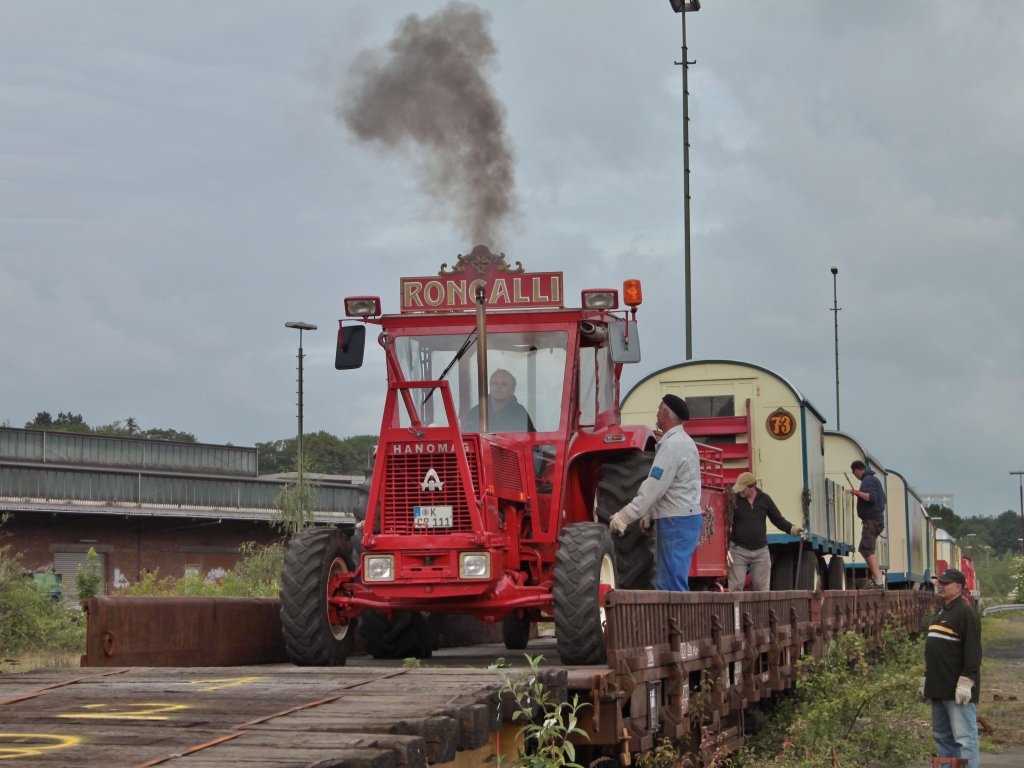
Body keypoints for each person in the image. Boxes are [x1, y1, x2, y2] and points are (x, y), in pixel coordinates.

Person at [608, 394, 702, 591]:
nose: (657, 414)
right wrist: (651, 513)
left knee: (672, 584)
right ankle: (671, 622)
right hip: (682, 519)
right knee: (668, 582)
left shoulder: (671, 446)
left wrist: (624, 517)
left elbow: (653, 487)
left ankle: (679, 621)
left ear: (665, 412)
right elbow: (669, 487)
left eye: (659, 410)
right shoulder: (685, 442)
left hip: (676, 521)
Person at [920, 567, 981, 768]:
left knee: (964, 738)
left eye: (945, 583)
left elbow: (973, 650)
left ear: (959, 586)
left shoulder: (965, 613)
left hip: (956, 690)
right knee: (943, 738)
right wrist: (926, 679)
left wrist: (967, 681)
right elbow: (936, 651)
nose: (940, 585)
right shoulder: (943, 612)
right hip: (939, 688)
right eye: (939, 581)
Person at [728, 472, 804, 592]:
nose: (740, 491)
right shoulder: (734, 500)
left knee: (762, 588)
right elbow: (725, 522)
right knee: (735, 587)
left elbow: (778, 520)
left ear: (752, 487)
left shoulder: (765, 500)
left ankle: (761, 611)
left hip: (760, 552)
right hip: (738, 551)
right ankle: (735, 611)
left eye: (743, 489)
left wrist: (793, 530)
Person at [849, 459, 886, 589]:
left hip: (872, 520)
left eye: (855, 474)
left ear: (858, 470)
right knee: (863, 548)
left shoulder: (868, 480)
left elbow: (872, 497)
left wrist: (857, 493)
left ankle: (878, 581)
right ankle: (876, 577)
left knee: (867, 549)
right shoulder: (873, 480)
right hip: (874, 520)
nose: (856, 477)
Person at [462, 369, 536, 433]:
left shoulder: (520, 414)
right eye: (495, 383)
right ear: (489, 387)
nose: (498, 387)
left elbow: (533, 442)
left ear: (513, 390)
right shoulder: (476, 412)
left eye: (504, 384)